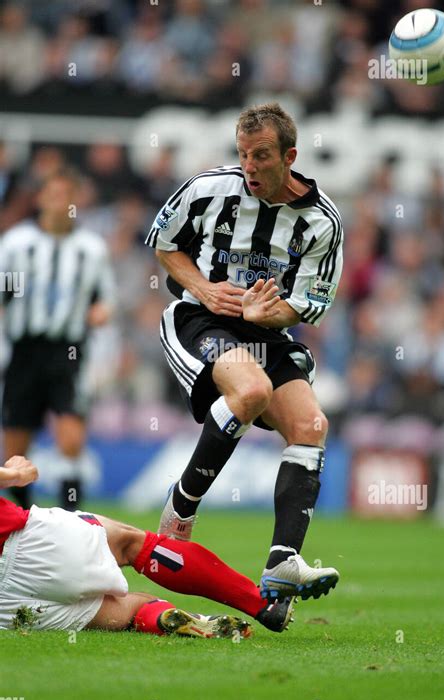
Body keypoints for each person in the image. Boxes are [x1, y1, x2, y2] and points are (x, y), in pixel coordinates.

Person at [145, 102, 343, 602]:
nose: (249, 167)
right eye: (243, 155)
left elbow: (306, 306)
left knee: (311, 426)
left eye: (261, 156)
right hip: (200, 317)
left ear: (290, 156)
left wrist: (267, 316)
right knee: (251, 389)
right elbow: (164, 244)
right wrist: (206, 289)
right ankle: (182, 506)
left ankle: (281, 566)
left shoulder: (322, 223)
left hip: (266, 331)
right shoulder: (208, 188)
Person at [0, 456, 293, 637]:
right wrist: (12, 475)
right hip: (23, 540)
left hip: (6, 606)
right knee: (133, 544)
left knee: (127, 612)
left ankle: (162, 617)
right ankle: (262, 604)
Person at [0, 169, 115, 511]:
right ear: (41, 199)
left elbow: (105, 299)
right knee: (17, 446)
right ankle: (25, 518)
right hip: (24, 351)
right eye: (53, 194)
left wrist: (101, 312)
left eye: (67, 195)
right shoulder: (18, 244)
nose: (60, 202)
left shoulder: (90, 249)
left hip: (68, 351)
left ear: (75, 201)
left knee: (71, 439)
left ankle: (70, 522)